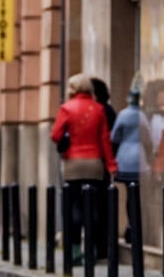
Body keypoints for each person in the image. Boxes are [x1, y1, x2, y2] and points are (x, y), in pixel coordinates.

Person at [50, 73, 118, 265]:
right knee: (94, 209)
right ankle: (92, 249)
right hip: (94, 165)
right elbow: (105, 140)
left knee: (73, 208)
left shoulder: (67, 109)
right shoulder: (99, 109)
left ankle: (74, 251)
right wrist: (111, 165)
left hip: (73, 164)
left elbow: (55, 135)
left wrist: (67, 140)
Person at [111, 88, 154, 243]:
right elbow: (149, 138)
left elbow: (114, 137)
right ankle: (136, 226)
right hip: (139, 157)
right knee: (137, 195)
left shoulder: (123, 114)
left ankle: (131, 226)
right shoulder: (142, 116)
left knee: (130, 194)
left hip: (125, 157)